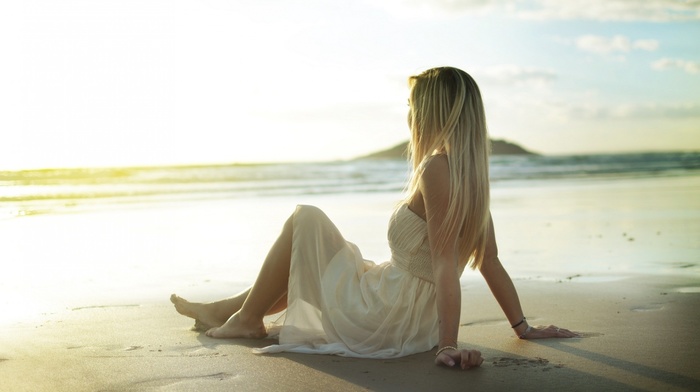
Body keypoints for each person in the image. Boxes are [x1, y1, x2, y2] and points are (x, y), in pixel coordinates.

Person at [171, 66, 577, 370]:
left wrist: (447, 345)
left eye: (412, 106)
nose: (409, 115)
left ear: (432, 112)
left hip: (388, 315)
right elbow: (489, 262)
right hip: (411, 317)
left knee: (305, 219)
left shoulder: (437, 169)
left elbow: (443, 265)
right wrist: (522, 327)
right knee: (336, 258)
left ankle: (245, 318)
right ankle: (225, 310)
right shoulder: (472, 181)